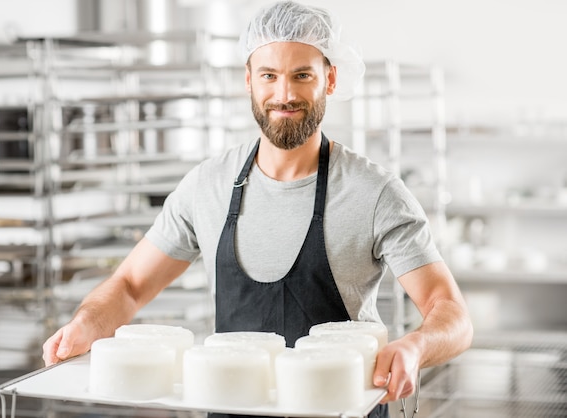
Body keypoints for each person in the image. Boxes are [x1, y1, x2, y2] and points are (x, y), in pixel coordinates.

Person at [43, 1, 473, 417]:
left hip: (339, 412)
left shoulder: (375, 193)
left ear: (331, 79)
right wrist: (87, 323)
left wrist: (415, 346)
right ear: (248, 79)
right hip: (233, 411)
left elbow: (450, 313)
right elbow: (131, 286)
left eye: (302, 75)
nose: (284, 94)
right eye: (269, 75)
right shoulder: (205, 186)